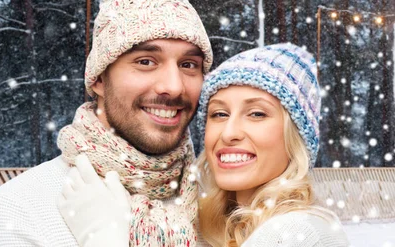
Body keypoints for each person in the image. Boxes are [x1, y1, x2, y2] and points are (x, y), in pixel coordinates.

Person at [59, 43, 350, 246]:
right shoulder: (227, 229)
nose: (229, 132)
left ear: (295, 137)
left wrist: (103, 237)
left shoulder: (293, 232)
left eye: (257, 113)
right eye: (219, 114)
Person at [0, 0, 213, 246]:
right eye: (146, 61)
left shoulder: (223, 208)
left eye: (188, 65)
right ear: (98, 79)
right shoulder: (19, 212)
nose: (173, 87)